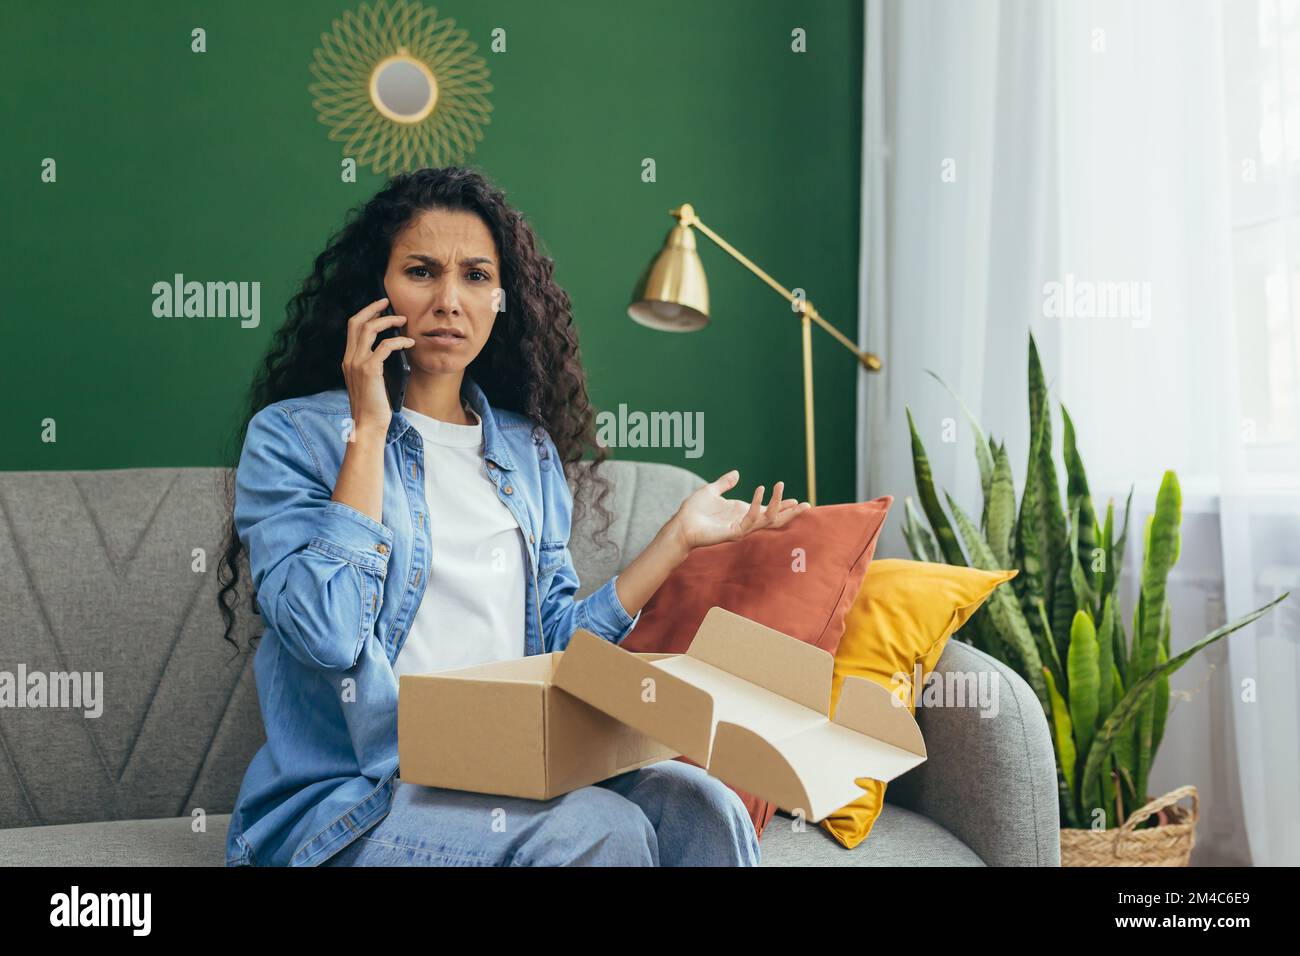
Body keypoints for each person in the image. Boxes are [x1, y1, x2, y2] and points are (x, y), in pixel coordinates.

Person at [214, 166, 811, 866]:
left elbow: (554, 647)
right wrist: (368, 431)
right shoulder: (294, 438)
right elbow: (327, 631)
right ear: (376, 290)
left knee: (702, 808)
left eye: (474, 276)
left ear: (502, 300)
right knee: (601, 829)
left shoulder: (525, 451)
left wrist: (675, 541)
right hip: (362, 799)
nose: (448, 301)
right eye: (420, 271)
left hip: (508, 771)